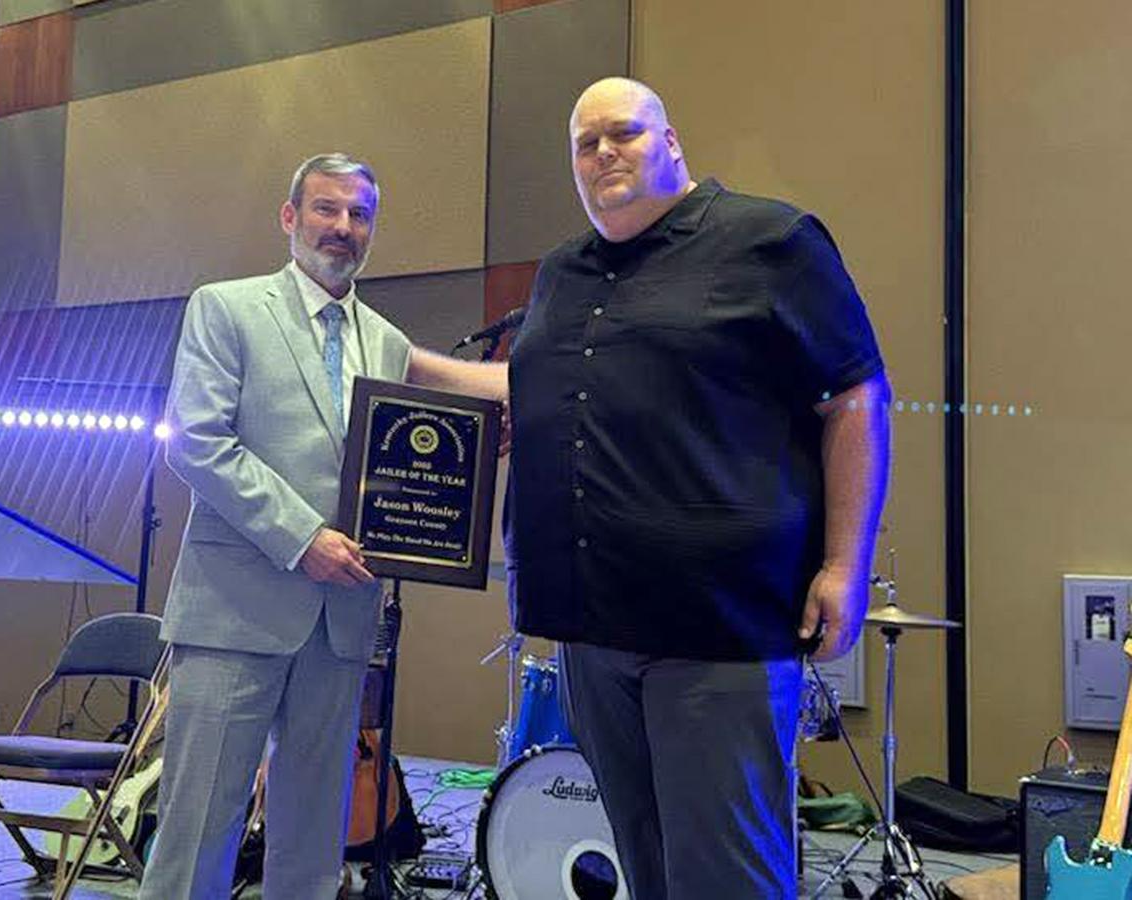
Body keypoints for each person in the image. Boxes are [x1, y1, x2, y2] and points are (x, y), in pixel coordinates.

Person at [505, 78, 891, 899]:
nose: (603, 153)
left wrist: (844, 566)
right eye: (584, 144)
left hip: (718, 628)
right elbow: (547, 393)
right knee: (644, 871)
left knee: (725, 880)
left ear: (672, 142)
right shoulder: (561, 272)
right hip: (590, 629)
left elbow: (855, 399)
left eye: (623, 133)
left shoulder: (769, 241)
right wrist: (408, 369)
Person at [139, 153, 503, 899]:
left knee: (314, 837)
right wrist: (301, 538)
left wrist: (465, 460)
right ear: (290, 217)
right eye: (326, 209)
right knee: (198, 831)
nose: (342, 227)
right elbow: (198, 442)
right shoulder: (226, 308)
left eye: (359, 214)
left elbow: (394, 463)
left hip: (342, 620)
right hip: (235, 611)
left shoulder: (387, 341)